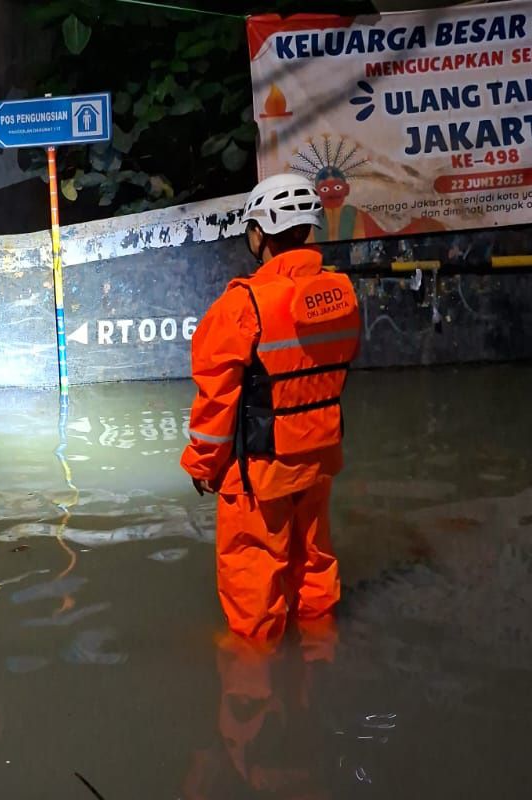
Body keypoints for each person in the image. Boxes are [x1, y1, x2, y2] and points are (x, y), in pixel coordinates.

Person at [181, 174, 361, 643]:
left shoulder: (243, 305)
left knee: (253, 575)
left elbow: (216, 399)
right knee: (314, 562)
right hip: (320, 456)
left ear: (259, 232)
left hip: (259, 469)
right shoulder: (341, 292)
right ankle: (321, 655)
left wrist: (202, 464)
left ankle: (252, 683)